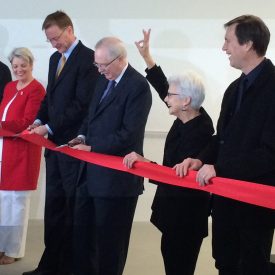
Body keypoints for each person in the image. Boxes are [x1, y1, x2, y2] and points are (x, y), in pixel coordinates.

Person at [175, 15, 275, 275]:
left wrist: (219, 168)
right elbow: (222, 138)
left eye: (228, 41)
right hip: (225, 200)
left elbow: (269, 154)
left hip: (254, 204)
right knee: (225, 263)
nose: (224, 48)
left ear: (248, 44)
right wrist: (200, 159)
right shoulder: (234, 89)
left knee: (252, 266)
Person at [123, 29, 214, 275]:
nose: (166, 99)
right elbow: (165, 87)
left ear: (185, 100)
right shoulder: (189, 114)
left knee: (179, 266)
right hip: (174, 212)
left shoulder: (200, 130)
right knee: (172, 261)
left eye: (171, 96)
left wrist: (144, 162)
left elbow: (177, 174)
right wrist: (148, 58)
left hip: (186, 215)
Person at [23, 11, 99, 275]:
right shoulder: (56, 58)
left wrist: (51, 127)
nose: (54, 45)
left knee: (70, 209)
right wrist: (38, 120)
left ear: (69, 29)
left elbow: (82, 105)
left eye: (56, 38)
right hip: (52, 148)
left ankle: (68, 266)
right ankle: (50, 264)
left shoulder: (89, 59)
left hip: (72, 146)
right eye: (50, 40)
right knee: (53, 208)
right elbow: (50, 99)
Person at [68, 36, 152, 275]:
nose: (100, 70)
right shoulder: (103, 80)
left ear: (121, 58)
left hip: (116, 181)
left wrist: (92, 148)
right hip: (88, 176)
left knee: (110, 245)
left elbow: (128, 134)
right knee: (83, 239)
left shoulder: (138, 86)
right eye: (97, 65)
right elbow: (90, 116)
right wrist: (82, 137)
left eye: (104, 65)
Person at [0, 47, 45, 265]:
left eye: (22, 65)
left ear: (31, 64)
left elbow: (28, 121)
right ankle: (2, 246)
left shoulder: (37, 89)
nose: (18, 69)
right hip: (6, 149)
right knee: (3, 202)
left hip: (24, 151)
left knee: (17, 203)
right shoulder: (9, 87)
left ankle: (14, 250)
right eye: (15, 66)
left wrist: (0, 126)